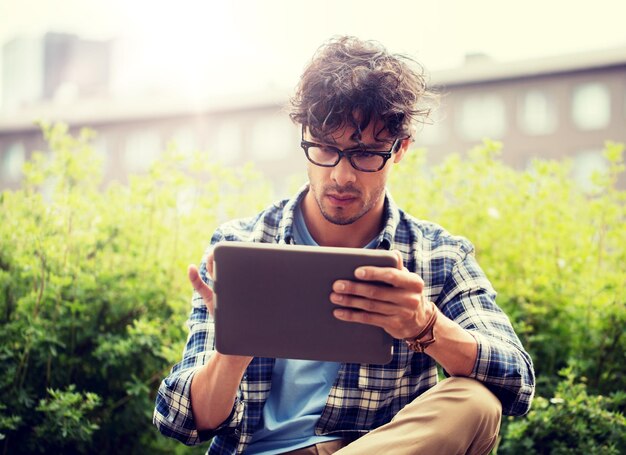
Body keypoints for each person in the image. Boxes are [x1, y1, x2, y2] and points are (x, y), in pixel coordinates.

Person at [154, 36, 535, 455]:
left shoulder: (438, 256)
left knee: (476, 403)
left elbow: (517, 382)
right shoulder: (241, 245)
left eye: (365, 154)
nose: (341, 176)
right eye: (325, 148)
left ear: (400, 149)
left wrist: (426, 326)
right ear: (304, 137)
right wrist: (233, 354)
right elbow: (182, 422)